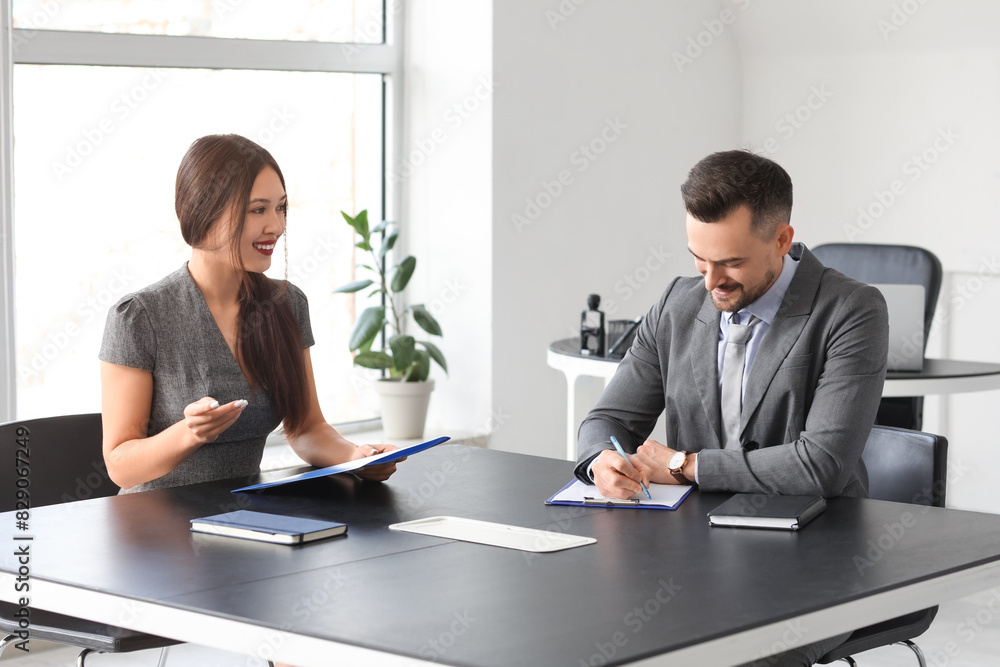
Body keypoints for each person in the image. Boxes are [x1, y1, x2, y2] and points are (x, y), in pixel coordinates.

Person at [575, 149, 889, 666]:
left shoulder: (851, 310)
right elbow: (607, 420)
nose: (710, 280)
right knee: (592, 635)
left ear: (782, 240)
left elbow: (822, 465)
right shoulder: (678, 302)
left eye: (732, 262)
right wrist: (599, 461)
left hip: (815, 554)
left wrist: (683, 465)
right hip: (691, 553)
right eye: (699, 258)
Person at [100, 134, 399, 494]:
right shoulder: (139, 317)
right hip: (154, 533)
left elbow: (306, 429)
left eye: (281, 208)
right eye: (258, 209)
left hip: (245, 523)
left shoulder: (287, 305)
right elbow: (120, 464)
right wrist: (189, 432)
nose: (276, 226)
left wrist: (358, 456)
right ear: (203, 211)